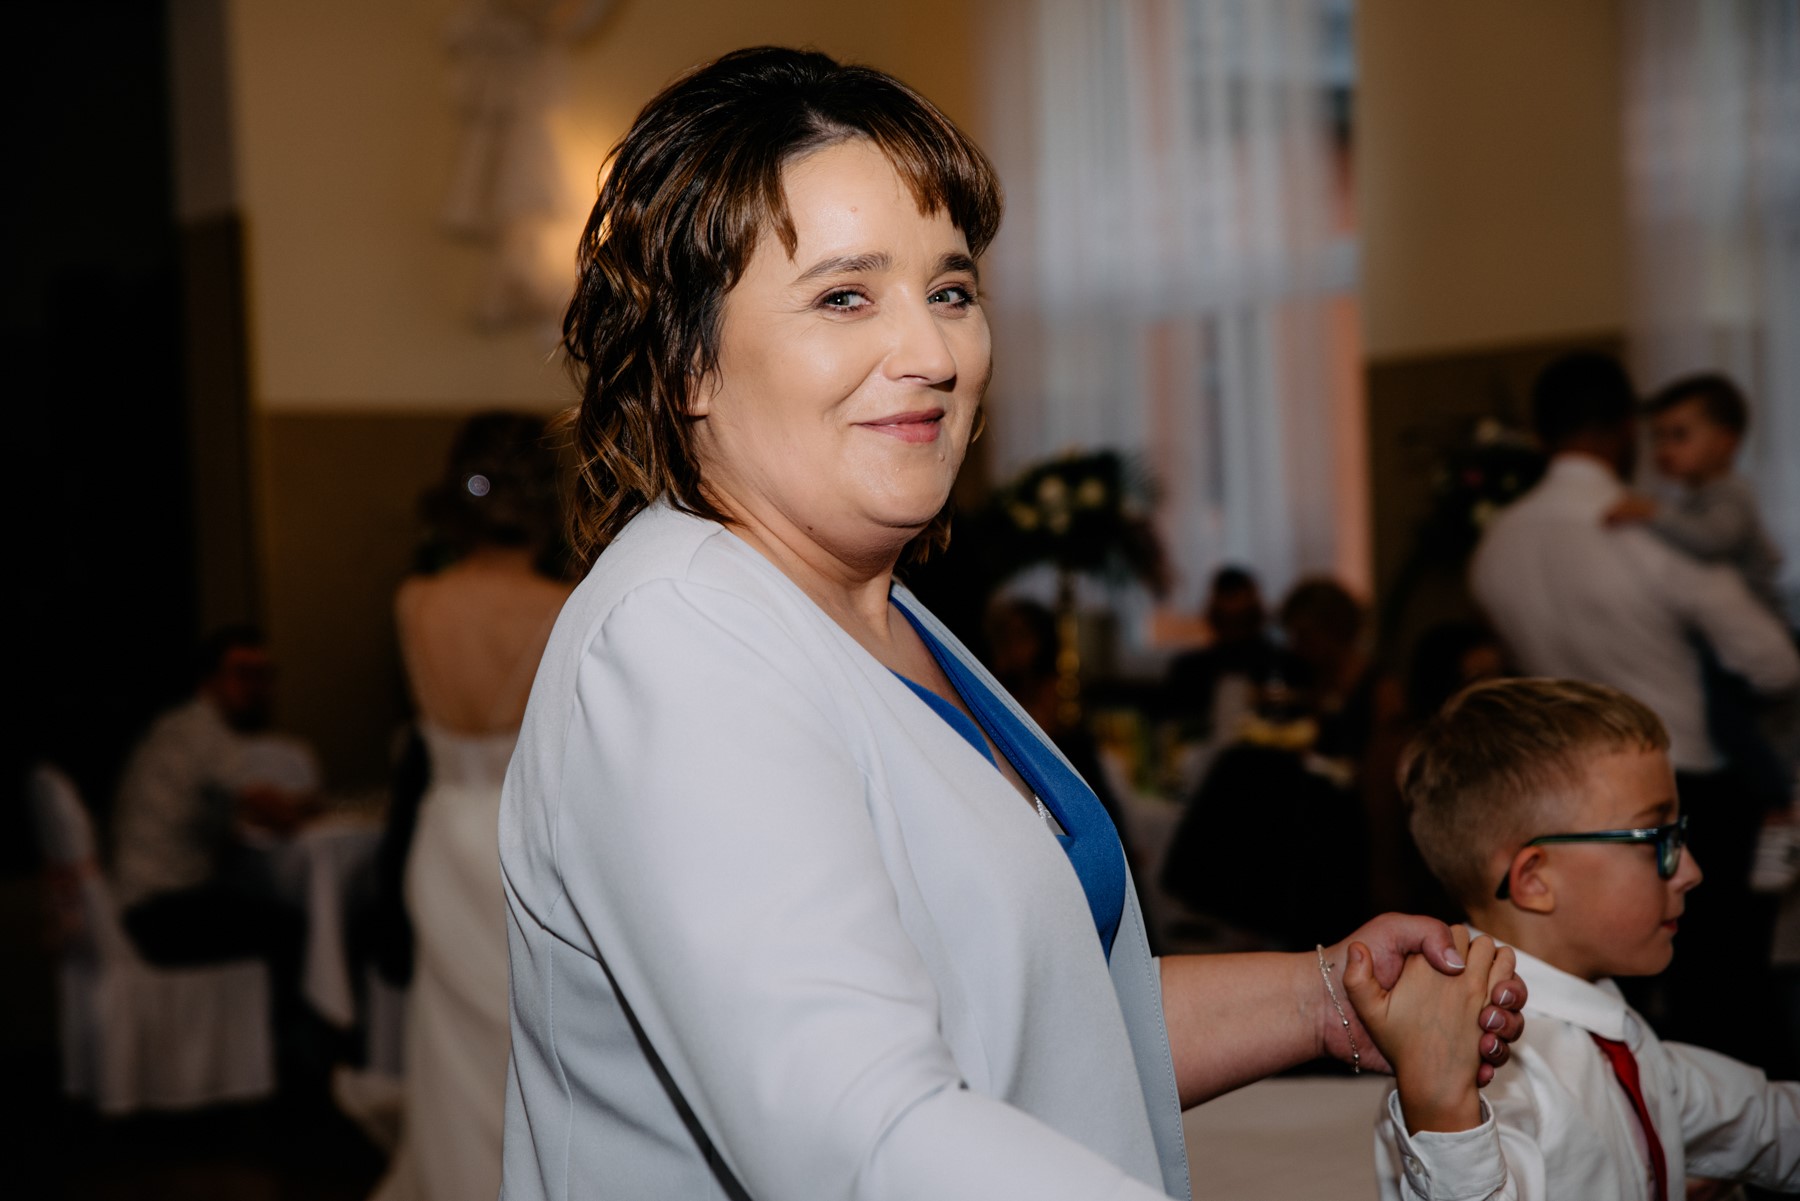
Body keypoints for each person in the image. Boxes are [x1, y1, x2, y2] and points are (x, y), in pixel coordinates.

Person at [499, 47, 1526, 1201]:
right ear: (685, 362)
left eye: (950, 291)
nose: (934, 355)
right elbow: (868, 1138)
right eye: (845, 297)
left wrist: (1322, 993)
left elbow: (1038, 1029)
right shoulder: (679, 646)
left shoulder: (883, 613)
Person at [1469, 351, 1799, 1064]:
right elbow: (1775, 661)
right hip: (1688, 791)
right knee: (1727, 999)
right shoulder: (1644, 528)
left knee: (1613, 1002)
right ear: (1625, 430)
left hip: (1566, 806)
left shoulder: (1497, 542)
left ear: (1538, 432)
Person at [1355, 677, 1800, 1199]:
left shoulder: (1617, 1037)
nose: (1690, 872)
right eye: (1657, 839)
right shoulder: (1487, 1078)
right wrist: (1443, 1114)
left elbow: (1769, 1124)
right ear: (1535, 879)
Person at [371, 413, 573, 1201]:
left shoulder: (415, 599)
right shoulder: (564, 604)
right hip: (525, 840)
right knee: (529, 1039)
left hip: (443, 834)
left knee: (450, 1041)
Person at [113, 624, 316, 981]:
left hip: (139, 902)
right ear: (209, 680)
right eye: (243, 674)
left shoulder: (178, 724)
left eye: (263, 675)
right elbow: (277, 813)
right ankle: (295, 1018)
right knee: (294, 927)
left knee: (264, 909)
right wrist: (308, 806)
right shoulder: (205, 730)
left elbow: (228, 822)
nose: (256, 686)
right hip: (159, 911)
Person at [1605, 372, 1784, 615]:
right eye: (1658, 436)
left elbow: (1713, 539)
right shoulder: (1698, 496)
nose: (1664, 449)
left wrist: (1652, 512)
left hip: (1758, 619)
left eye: (1679, 435)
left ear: (1724, 443)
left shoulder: (1731, 495)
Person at [1161, 566, 1293, 739]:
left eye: (1240, 620)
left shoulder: (1283, 667)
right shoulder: (1188, 670)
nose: (1234, 629)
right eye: (1227, 620)